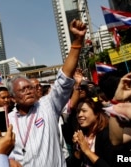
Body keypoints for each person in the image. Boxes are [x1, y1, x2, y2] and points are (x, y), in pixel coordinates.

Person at [6, 19, 86, 167]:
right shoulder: (6, 121)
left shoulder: (47, 105)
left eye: (29, 87)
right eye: (23, 90)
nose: (29, 91)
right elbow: (2, 152)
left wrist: (77, 41)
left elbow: (64, 79)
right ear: (13, 98)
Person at [70, 98, 112, 167]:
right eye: (78, 111)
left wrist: (87, 151)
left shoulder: (107, 134)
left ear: (96, 114)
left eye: (84, 111)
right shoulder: (81, 133)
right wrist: (79, 149)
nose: (79, 115)